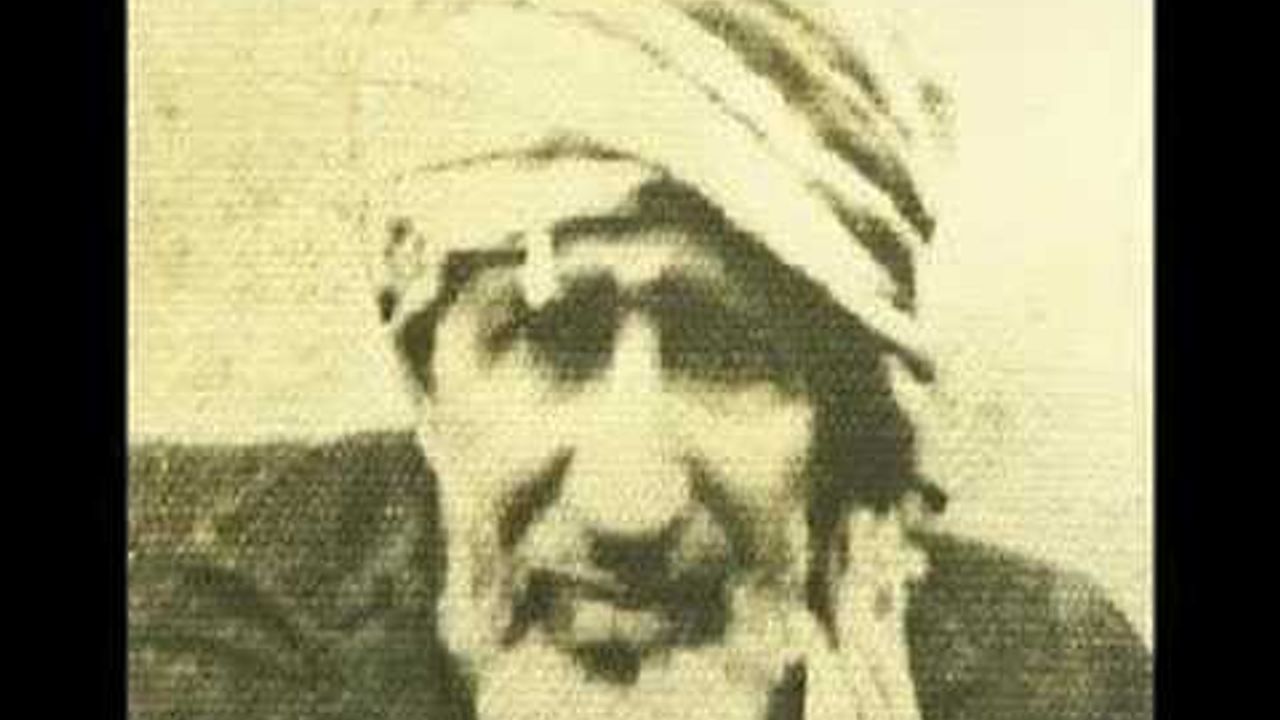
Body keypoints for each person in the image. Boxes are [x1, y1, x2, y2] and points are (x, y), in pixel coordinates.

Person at [128, 1, 1152, 718]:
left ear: (840, 417)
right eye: (551, 340)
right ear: (425, 380)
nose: (630, 505)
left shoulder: (1051, 682)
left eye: (728, 350)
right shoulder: (195, 648)